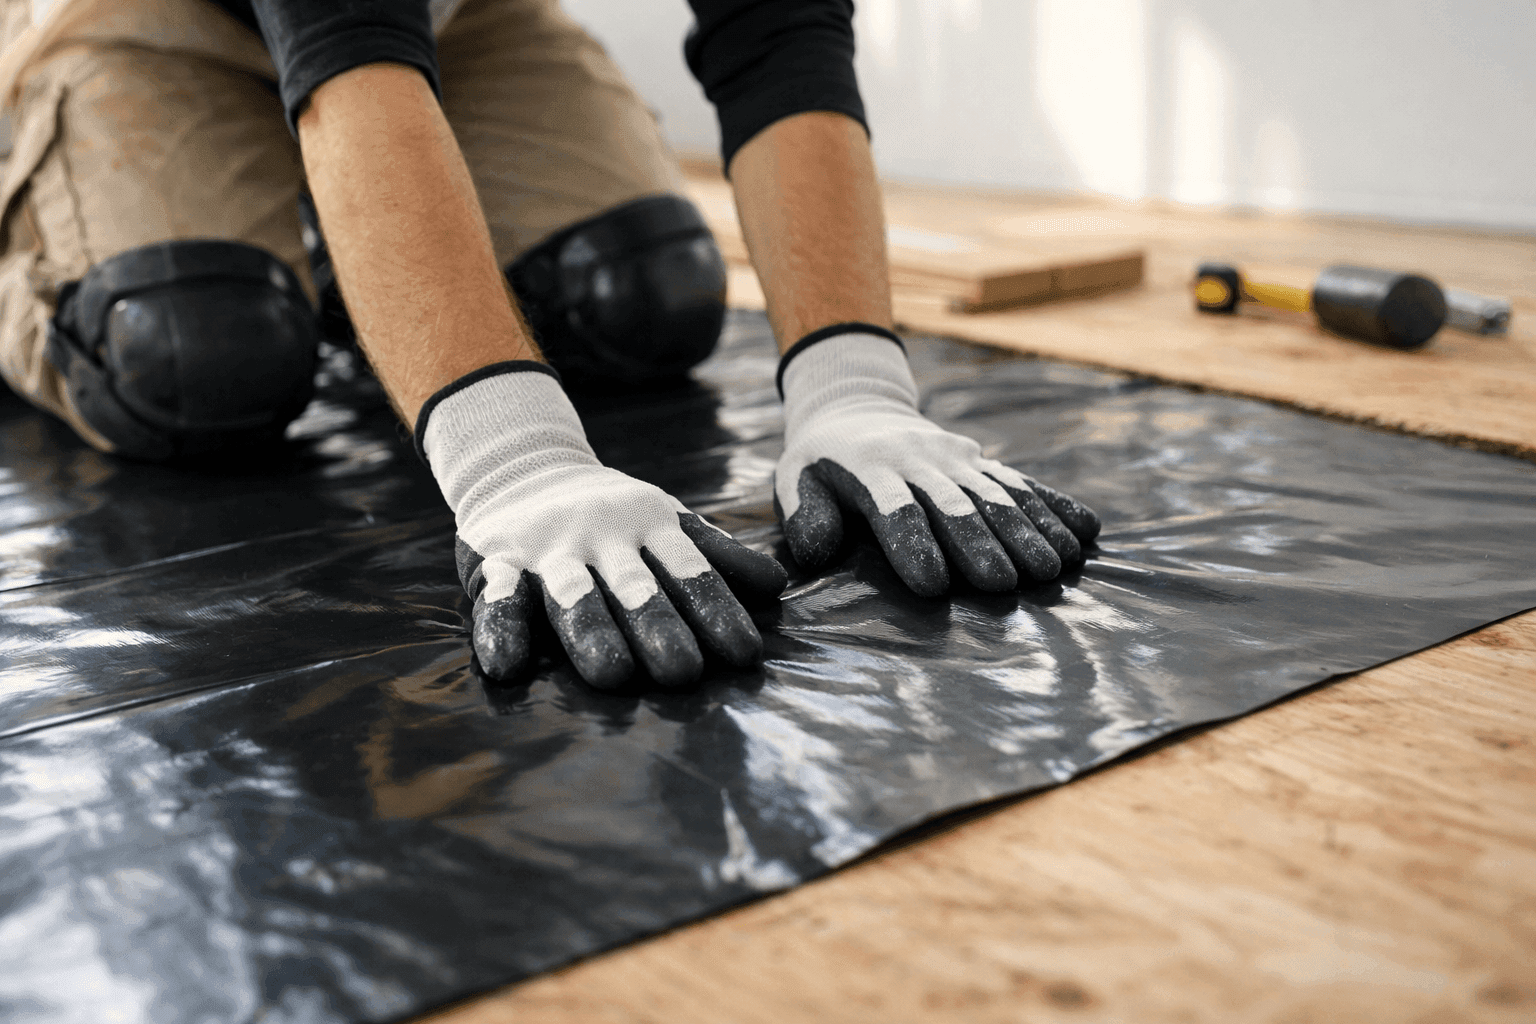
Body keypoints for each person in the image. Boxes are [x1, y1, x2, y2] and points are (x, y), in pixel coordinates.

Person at [0, 0, 1100, 690]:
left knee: (641, 293)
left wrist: (852, 386)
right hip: (149, 19)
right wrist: (513, 459)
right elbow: (344, 49)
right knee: (192, 351)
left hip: (459, 16)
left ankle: (353, 254)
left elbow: (780, 35)